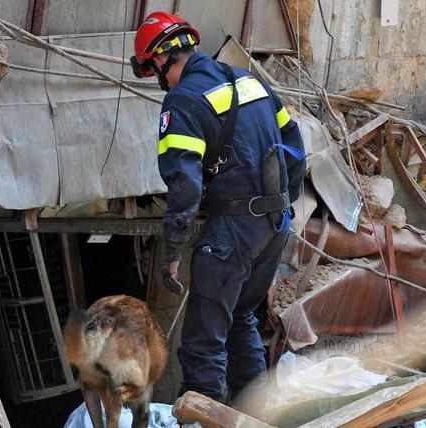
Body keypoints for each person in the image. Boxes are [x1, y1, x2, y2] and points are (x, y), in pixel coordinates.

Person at [129, 11, 307, 403]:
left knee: (203, 339)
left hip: (232, 231)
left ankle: (200, 414)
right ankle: (254, 413)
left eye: (152, 69)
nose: (159, 80)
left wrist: (173, 251)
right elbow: (294, 143)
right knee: (242, 318)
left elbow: (185, 184)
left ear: (159, 60)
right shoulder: (249, 81)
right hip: (274, 224)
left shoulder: (183, 101)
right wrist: (285, 203)